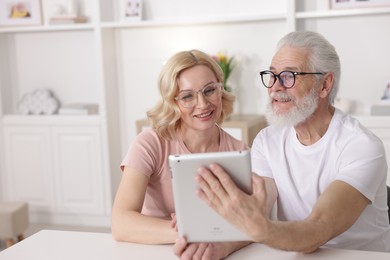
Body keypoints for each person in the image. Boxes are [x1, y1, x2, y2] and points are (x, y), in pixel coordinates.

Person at [174, 31, 390, 254]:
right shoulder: (267, 141)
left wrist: (262, 229)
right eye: (272, 75)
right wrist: (220, 246)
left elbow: (319, 227)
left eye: (289, 76)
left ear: (324, 85)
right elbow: (259, 208)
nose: (275, 87)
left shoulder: (361, 146)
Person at [111, 49, 251, 259]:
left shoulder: (240, 151)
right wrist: (186, 230)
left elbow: (254, 222)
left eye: (209, 90)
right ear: (173, 102)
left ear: (220, 90)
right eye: (187, 96)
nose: (203, 104)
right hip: (151, 251)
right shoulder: (150, 144)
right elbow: (121, 223)